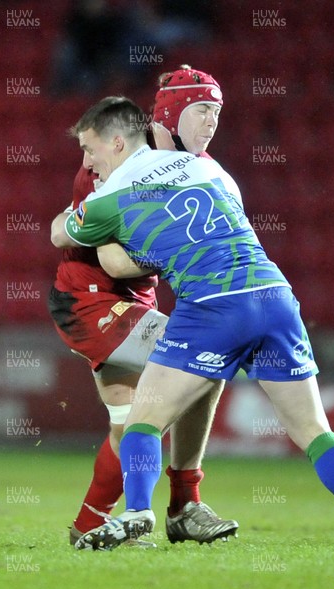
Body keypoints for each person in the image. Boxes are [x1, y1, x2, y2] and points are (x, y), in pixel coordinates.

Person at [51, 96, 334, 555]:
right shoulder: (209, 169)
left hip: (212, 307)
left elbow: (61, 235)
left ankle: (138, 511)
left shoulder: (110, 197)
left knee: (145, 420)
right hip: (275, 296)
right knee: (315, 430)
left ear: (117, 143)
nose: (87, 161)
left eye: (90, 149)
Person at [48, 68, 238, 547]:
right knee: (201, 363)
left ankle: (91, 524)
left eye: (216, 112)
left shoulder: (195, 165)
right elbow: (114, 259)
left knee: (129, 421)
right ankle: (183, 504)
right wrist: (181, 247)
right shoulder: (114, 171)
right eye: (203, 111)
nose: (212, 123)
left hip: (132, 301)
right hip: (93, 301)